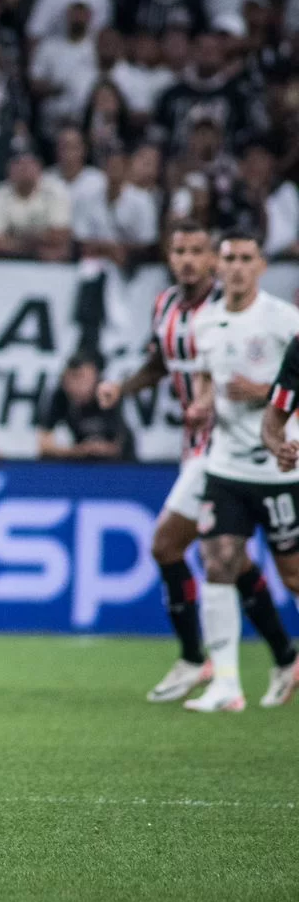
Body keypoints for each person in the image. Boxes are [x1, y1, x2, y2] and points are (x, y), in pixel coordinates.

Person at [96, 222, 221, 702]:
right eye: (179, 251)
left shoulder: (229, 309)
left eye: (196, 250)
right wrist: (121, 387)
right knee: (231, 555)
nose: (187, 260)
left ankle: (198, 660)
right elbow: (159, 364)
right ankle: (275, 659)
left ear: (212, 258)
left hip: (232, 447)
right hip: (195, 448)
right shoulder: (165, 305)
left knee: (174, 546)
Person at [182, 232, 299, 712]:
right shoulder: (204, 322)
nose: (235, 267)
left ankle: (281, 663)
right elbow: (208, 383)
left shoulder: (284, 320)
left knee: (293, 574)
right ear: (218, 264)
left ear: (261, 266)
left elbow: (289, 388)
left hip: (279, 470)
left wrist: (265, 393)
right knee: (219, 559)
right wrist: (201, 406)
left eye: (246, 259)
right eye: (228, 258)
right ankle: (227, 682)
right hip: (226, 463)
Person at [36, 352, 133, 461]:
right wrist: (79, 451)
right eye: (70, 379)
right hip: (80, 460)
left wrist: (99, 448)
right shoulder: (61, 396)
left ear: (95, 377)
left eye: (82, 379)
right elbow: (44, 446)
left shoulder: (108, 395)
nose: (76, 386)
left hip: (120, 465)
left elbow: (118, 445)